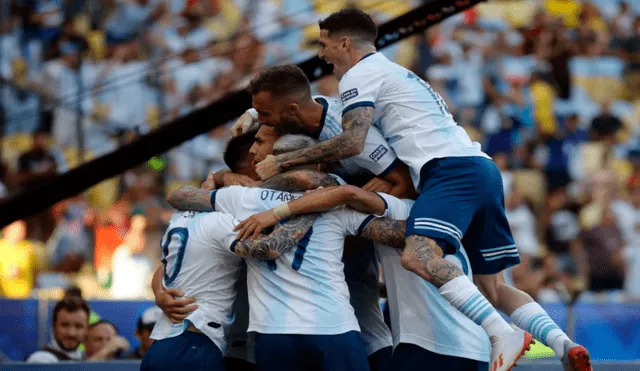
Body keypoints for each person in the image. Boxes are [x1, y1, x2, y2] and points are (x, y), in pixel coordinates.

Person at [252, 8, 591, 371]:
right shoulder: (395, 72)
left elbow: (351, 141)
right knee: (492, 287)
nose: (321, 54)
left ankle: (500, 331)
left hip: (449, 171)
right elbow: (323, 116)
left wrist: (283, 162)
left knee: (417, 255)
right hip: (481, 168)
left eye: (323, 44)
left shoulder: (358, 76)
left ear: (345, 43)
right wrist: (255, 117)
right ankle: (563, 345)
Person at [166, 133, 410, 371]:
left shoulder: (242, 197)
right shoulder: (336, 199)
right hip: (332, 328)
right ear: (316, 163)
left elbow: (177, 196)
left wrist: (225, 178)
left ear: (271, 163)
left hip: (272, 333)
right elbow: (397, 234)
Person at [143, 167, 317, 371]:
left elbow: (163, 265)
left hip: (162, 343)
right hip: (194, 345)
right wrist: (306, 207)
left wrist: (158, 290)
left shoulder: (179, 216)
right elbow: (268, 248)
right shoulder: (220, 221)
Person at [26, 296, 90, 363]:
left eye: (78, 326)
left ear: (87, 329)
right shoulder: (39, 359)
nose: (71, 333)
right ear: (54, 327)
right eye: (65, 325)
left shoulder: (84, 357)